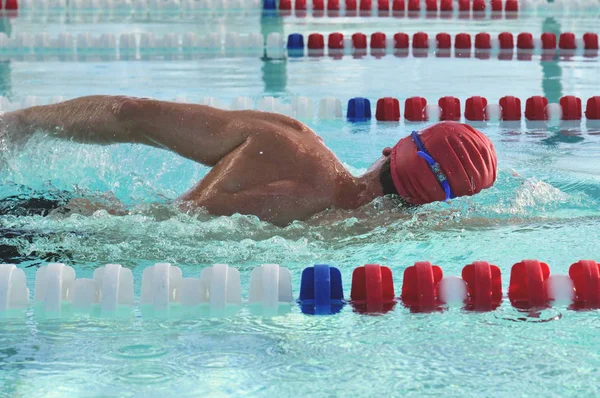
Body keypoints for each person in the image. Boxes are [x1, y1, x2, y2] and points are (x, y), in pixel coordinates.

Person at [1, 96, 497, 226]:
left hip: (69, 221)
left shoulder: (288, 143)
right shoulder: (395, 234)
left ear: (392, 149)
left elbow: (127, 114)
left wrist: (18, 124)